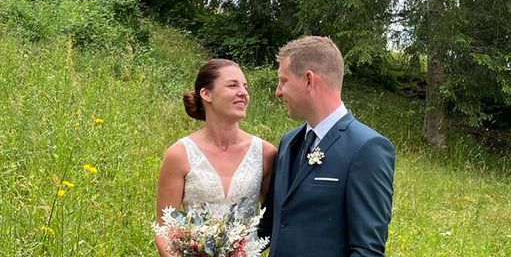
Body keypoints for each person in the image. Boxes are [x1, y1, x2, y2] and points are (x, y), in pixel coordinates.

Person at [259, 36, 395, 257]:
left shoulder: (367, 148)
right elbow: (269, 225)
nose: (278, 91)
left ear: (309, 80)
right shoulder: (288, 141)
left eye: (283, 81)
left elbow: (366, 251)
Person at [155, 59, 277, 257]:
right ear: (206, 94)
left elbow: (274, 219)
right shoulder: (179, 154)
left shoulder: (266, 153)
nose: (243, 93)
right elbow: (163, 230)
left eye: (245, 86)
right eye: (233, 85)